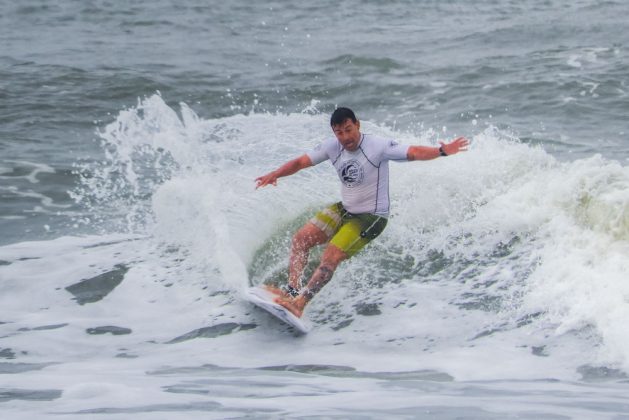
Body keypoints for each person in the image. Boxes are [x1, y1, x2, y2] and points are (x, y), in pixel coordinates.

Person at [255, 107, 469, 317]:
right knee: (301, 239)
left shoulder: (378, 146)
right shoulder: (332, 147)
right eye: (339, 132)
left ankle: (300, 304)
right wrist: (276, 173)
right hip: (345, 209)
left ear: (357, 124)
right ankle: (292, 292)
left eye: (349, 129)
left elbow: (412, 152)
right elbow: (301, 162)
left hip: (370, 218)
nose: (346, 137)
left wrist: (441, 151)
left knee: (330, 257)